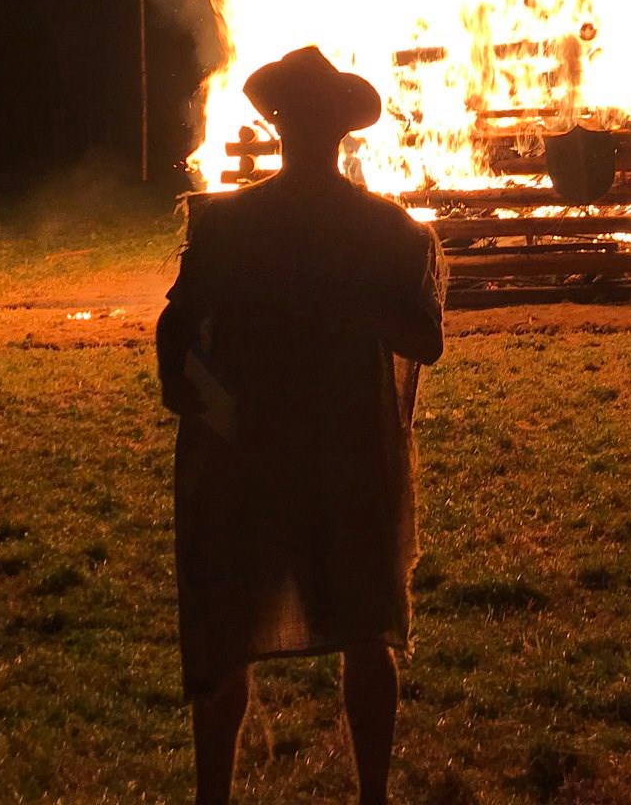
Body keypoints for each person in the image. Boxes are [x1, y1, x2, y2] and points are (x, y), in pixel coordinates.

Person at [158, 46, 446, 805]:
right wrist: (219, 409)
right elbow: (178, 339)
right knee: (325, 630)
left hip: (297, 457)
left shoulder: (369, 231)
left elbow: (424, 340)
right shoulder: (361, 229)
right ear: (288, 127)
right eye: (302, 117)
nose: (309, 130)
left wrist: (221, 414)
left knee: (346, 630)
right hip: (324, 455)